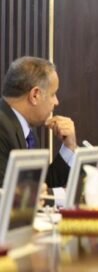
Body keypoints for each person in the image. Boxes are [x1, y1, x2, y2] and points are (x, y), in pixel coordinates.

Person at [0, 57, 77, 188]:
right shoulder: (2, 127)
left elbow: (41, 184)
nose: (56, 102)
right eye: (53, 94)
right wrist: (61, 195)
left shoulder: (28, 134)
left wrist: (69, 147)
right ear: (35, 95)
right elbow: (7, 192)